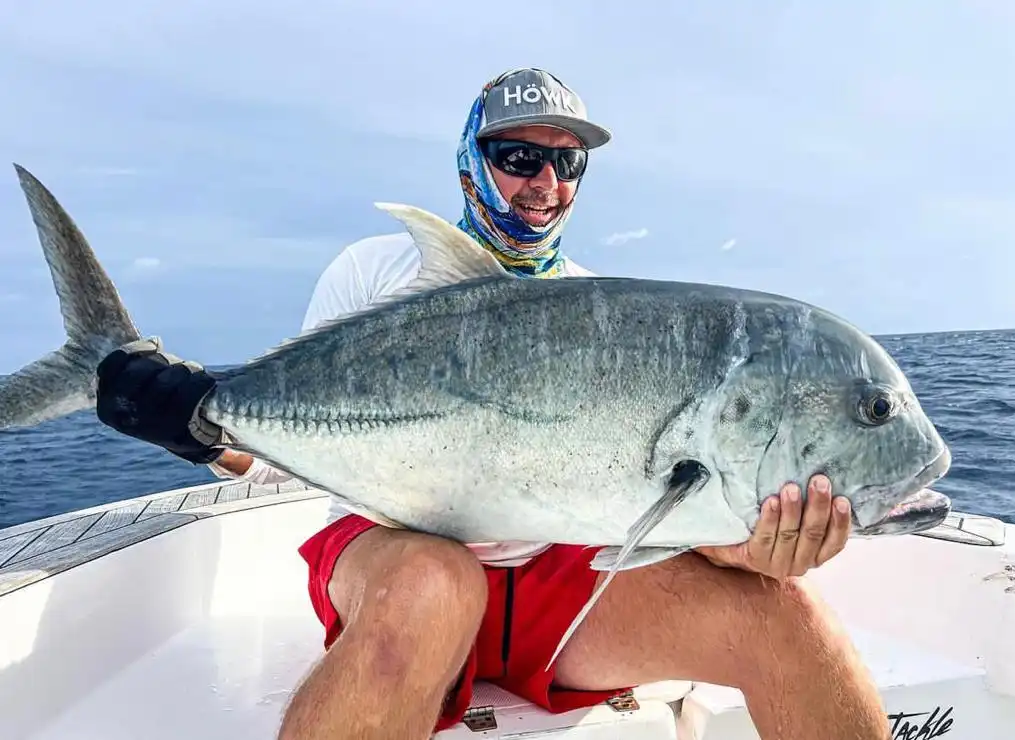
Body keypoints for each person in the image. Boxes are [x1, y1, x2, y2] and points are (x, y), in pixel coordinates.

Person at [94, 68, 891, 740]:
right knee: (435, 582)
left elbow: (655, 502)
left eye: (569, 164)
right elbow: (294, 457)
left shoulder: (598, 309)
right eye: (518, 156)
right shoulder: (376, 276)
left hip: (560, 575)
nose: (545, 184)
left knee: (787, 615)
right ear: (470, 160)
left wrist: (756, 544)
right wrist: (195, 429)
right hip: (397, 561)